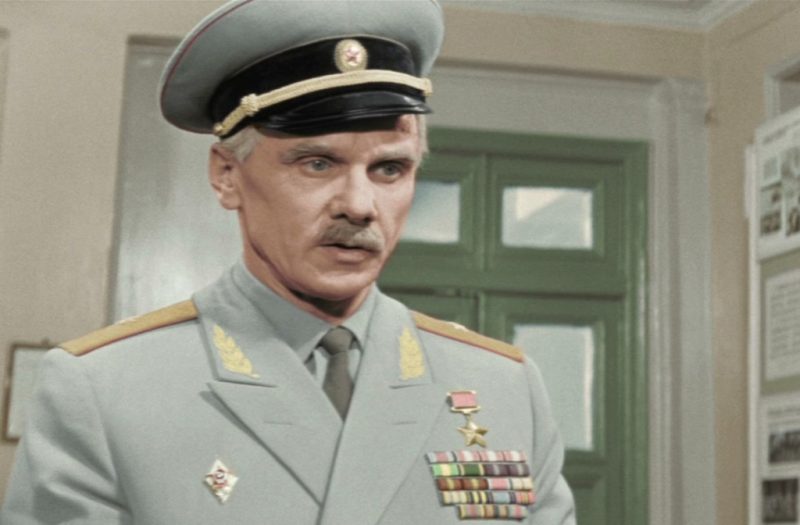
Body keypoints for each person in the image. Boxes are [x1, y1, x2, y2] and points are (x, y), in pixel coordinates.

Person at [1, 0, 575, 523]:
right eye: (317, 164)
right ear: (227, 175)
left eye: (389, 169)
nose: (359, 205)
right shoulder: (105, 390)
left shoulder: (503, 387)